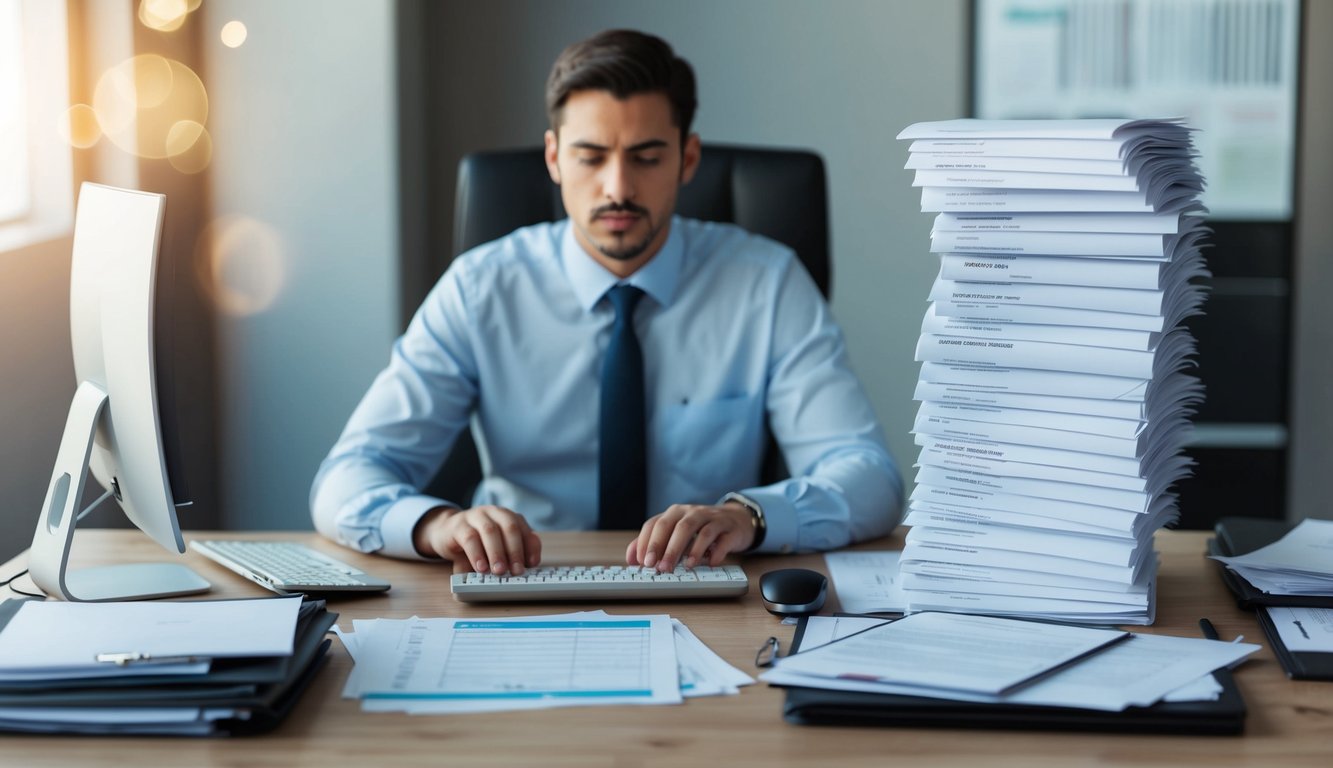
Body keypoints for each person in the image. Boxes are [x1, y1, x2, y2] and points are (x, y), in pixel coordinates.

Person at [311, 29, 901, 576]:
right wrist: (436, 524)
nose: (618, 187)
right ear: (554, 158)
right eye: (591, 157)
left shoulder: (767, 284)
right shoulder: (479, 288)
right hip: (518, 584)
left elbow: (870, 478)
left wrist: (748, 516)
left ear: (687, 159)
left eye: (646, 157)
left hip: (701, 587)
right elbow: (345, 482)